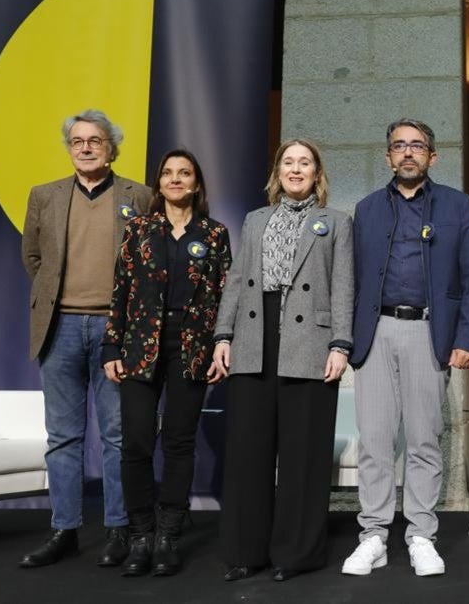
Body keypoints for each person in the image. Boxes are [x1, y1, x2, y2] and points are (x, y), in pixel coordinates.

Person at [341, 118, 469, 577]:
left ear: (432, 156)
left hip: (430, 334)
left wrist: (465, 339)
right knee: (376, 441)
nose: (407, 153)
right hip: (376, 333)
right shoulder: (365, 209)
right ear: (388, 156)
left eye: (417, 146)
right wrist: (345, 342)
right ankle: (374, 537)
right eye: (399, 146)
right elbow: (350, 282)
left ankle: (421, 534)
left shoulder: (457, 206)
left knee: (424, 439)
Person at [211, 139, 354, 583]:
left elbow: (344, 285)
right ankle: (244, 552)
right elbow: (236, 280)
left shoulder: (335, 222)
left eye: (305, 163)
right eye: (288, 162)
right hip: (254, 339)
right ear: (278, 172)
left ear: (317, 173)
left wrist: (341, 344)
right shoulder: (255, 220)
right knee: (248, 454)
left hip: (309, 343)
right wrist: (224, 334)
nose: (296, 169)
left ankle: (294, 554)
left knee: (303, 455)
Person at [20, 109, 152, 568]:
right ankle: (65, 529)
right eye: (78, 141)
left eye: (95, 140)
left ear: (111, 147)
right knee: (62, 437)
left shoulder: (140, 196)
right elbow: (34, 258)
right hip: (59, 329)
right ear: (70, 148)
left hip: (116, 332)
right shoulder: (44, 196)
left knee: (117, 436)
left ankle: (118, 529)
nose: (86, 147)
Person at [101, 149, 232, 576]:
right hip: (140, 345)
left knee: (179, 442)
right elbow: (120, 291)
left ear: (196, 183)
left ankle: (167, 537)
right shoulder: (137, 230)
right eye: (168, 174)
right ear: (158, 184)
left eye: (185, 173)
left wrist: (221, 345)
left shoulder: (214, 234)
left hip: (191, 347)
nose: (176, 180)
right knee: (136, 441)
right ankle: (140, 535)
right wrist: (111, 347)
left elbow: (225, 295)